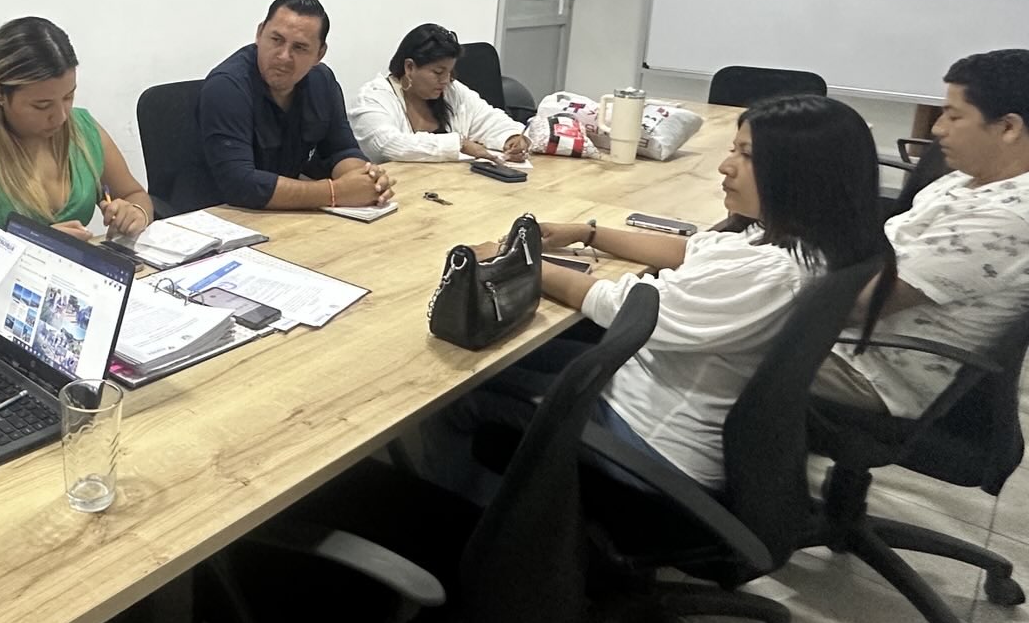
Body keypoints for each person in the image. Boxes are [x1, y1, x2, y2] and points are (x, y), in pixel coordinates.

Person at [423, 95, 893, 494]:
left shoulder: (769, 272)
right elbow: (694, 249)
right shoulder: (798, 244)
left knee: (456, 395)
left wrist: (515, 262)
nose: (726, 165)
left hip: (652, 445)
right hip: (654, 391)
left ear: (802, 173)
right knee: (510, 356)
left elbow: (623, 307)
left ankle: (475, 535)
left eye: (747, 156)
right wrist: (587, 233)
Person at [817, 49, 1029, 418]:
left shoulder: (1004, 219)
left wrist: (754, 295)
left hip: (872, 371)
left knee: (716, 350)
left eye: (954, 116)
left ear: (1008, 127)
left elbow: (857, 305)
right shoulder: (970, 179)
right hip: (847, 338)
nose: (938, 128)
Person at [0, 17, 152, 240]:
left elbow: (134, 194)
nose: (61, 116)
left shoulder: (83, 129)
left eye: (68, 96)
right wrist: (29, 245)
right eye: (41, 105)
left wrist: (135, 213)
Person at [198, 0, 394, 210]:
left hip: (285, 214)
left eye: (299, 47)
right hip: (220, 214)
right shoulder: (227, 86)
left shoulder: (322, 81)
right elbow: (238, 184)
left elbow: (340, 150)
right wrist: (335, 193)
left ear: (319, 54)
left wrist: (366, 180)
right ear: (259, 34)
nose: (284, 56)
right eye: (276, 40)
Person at [349, 23, 528, 164]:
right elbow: (386, 145)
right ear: (409, 67)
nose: (446, 80)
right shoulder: (372, 99)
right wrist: (460, 144)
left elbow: (489, 119)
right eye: (438, 72)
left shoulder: (450, 89)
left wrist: (512, 138)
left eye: (450, 72)